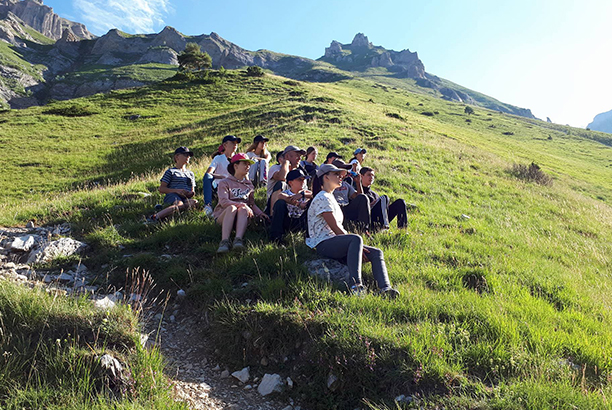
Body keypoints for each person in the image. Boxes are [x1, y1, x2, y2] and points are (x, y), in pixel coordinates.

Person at [306, 164, 399, 298]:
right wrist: (357, 246)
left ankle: (385, 288)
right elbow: (336, 229)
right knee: (356, 239)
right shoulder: (322, 198)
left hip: (336, 242)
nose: (340, 177)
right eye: (336, 175)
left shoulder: (330, 197)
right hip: (323, 243)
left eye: (340, 175)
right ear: (325, 177)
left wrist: (358, 247)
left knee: (376, 252)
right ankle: (356, 286)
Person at [213, 153, 269, 253]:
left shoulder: (249, 185)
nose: (248, 167)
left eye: (249, 164)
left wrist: (260, 213)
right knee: (232, 208)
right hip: (224, 215)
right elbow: (224, 202)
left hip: (243, 216)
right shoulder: (224, 182)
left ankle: (238, 240)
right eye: (245, 164)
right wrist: (242, 204)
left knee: (243, 209)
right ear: (235, 166)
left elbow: (251, 204)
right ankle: (224, 241)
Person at [150, 147, 198, 221]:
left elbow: (192, 190)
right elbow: (161, 189)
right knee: (179, 204)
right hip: (172, 195)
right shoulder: (170, 172)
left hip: (186, 197)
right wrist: (177, 191)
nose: (188, 157)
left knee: (194, 202)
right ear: (177, 157)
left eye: (189, 155)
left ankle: (165, 210)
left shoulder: (191, 174)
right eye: (185, 155)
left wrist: (190, 193)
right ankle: (155, 217)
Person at [269, 168, 312, 243]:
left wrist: (302, 194)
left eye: (303, 180)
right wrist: (298, 203)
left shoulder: (306, 193)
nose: (302, 182)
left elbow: (315, 195)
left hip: (302, 221)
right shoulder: (286, 193)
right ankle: (276, 237)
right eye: (299, 180)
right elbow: (280, 196)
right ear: (291, 182)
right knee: (279, 203)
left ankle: (309, 236)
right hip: (288, 221)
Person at [203, 135, 241, 216]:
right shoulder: (218, 158)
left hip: (233, 186)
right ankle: (208, 205)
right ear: (225, 145)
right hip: (218, 185)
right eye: (233, 143)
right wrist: (223, 177)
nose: (235, 145)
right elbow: (209, 173)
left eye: (236, 143)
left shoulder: (238, 159)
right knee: (207, 177)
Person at [266, 145, 307, 213]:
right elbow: (282, 177)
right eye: (297, 155)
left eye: (300, 156)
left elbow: (305, 190)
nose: (299, 159)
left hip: (295, 207)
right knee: (281, 184)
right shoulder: (275, 168)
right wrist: (286, 162)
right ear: (287, 156)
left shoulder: (299, 174)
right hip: (278, 206)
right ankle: (272, 216)